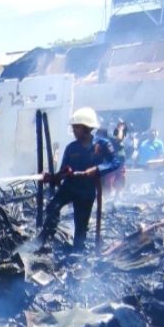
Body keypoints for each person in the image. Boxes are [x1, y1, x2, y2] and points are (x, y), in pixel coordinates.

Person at [40, 107, 119, 251]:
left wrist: (97, 170)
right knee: (52, 207)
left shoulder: (102, 145)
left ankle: (77, 257)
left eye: (76, 127)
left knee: (81, 226)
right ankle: (45, 240)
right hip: (69, 187)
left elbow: (115, 162)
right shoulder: (71, 148)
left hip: (87, 191)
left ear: (87, 128)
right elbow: (63, 172)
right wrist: (52, 178)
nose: (74, 131)